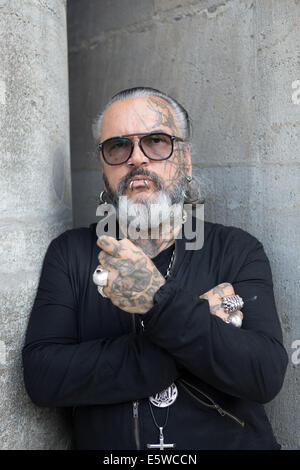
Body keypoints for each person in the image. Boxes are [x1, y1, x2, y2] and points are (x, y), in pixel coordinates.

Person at [22, 87, 288, 450]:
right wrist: (195, 324)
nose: (137, 159)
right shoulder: (70, 254)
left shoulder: (236, 250)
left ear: (186, 161)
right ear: (104, 172)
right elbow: (44, 378)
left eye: (156, 141)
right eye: (118, 147)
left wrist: (156, 301)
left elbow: (263, 374)